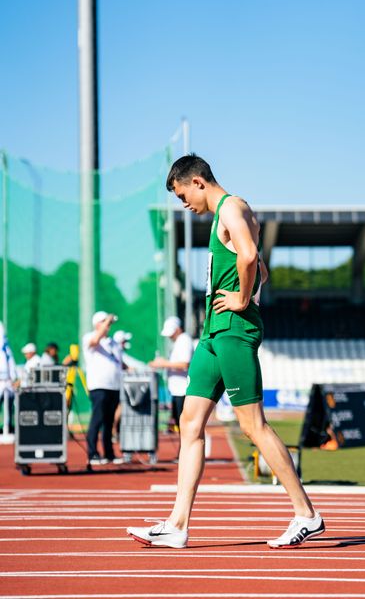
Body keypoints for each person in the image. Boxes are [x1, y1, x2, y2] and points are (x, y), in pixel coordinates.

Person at [127, 154, 325, 549]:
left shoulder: (232, 206)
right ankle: (177, 524)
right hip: (212, 335)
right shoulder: (226, 216)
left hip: (233, 329)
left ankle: (307, 514)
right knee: (190, 421)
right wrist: (248, 284)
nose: (185, 204)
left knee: (252, 425)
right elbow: (261, 267)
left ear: (198, 181)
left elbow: (251, 256)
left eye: (184, 195)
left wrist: (241, 297)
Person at [82, 311, 124, 466]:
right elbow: (94, 341)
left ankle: (109, 453)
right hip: (99, 386)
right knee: (97, 419)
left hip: (114, 386)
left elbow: (119, 362)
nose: (108, 325)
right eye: (104, 322)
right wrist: (108, 321)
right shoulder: (90, 337)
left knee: (109, 422)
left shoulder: (113, 343)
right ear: (97, 324)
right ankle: (92, 453)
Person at [149, 316, 193, 430]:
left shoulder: (184, 340)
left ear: (178, 329)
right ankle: (183, 447)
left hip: (183, 390)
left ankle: (185, 447)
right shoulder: (179, 341)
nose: (169, 336)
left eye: (171, 333)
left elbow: (184, 364)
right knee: (178, 424)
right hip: (177, 390)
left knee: (183, 424)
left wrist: (163, 363)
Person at [0, 323, 18, 434]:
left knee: (8, 407)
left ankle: (7, 428)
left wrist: (13, 377)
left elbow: (11, 363)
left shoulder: (6, 350)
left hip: (6, 381)